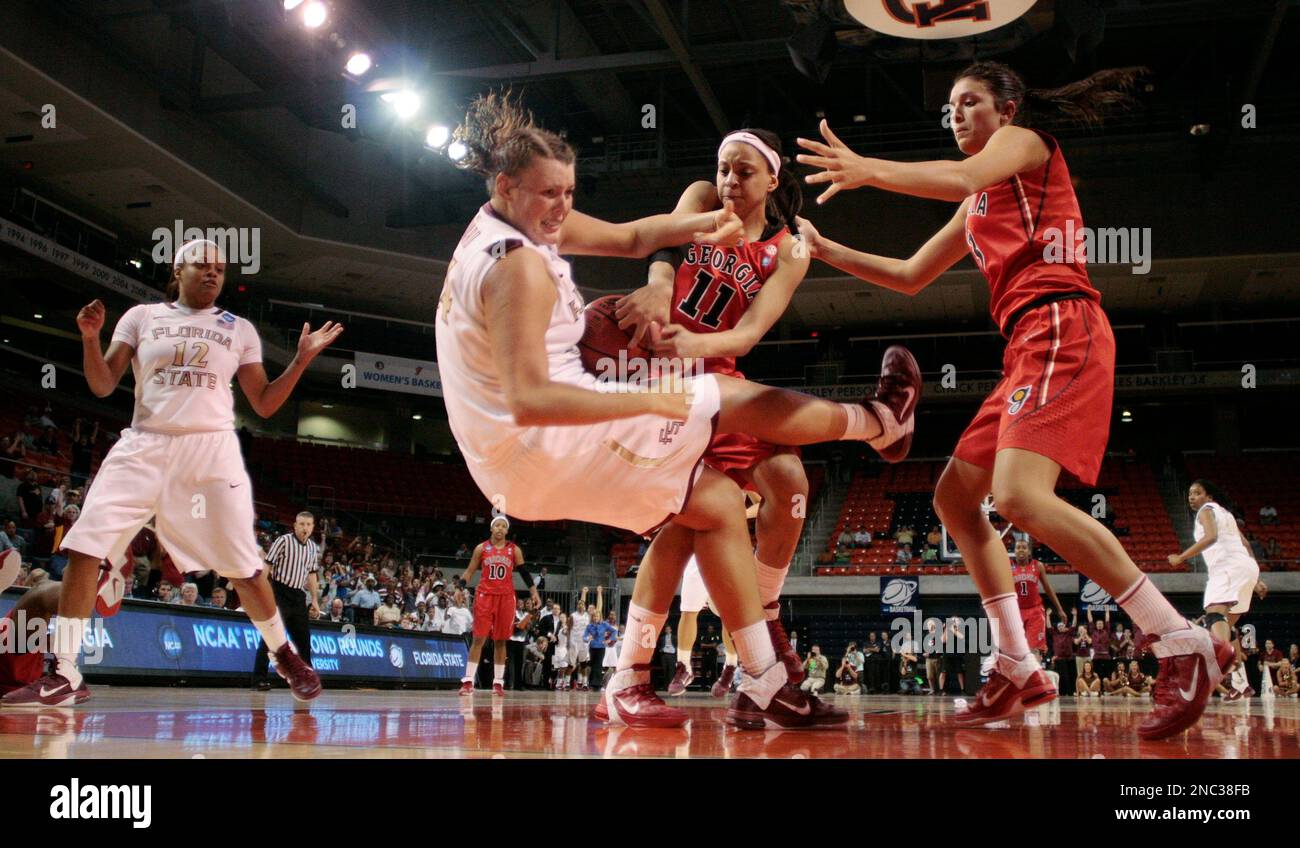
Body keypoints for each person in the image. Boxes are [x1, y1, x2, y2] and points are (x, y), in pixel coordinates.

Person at [435, 92, 918, 730]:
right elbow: (533, 397)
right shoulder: (518, 266)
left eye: (569, 192)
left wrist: (692, 247)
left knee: (717, 502)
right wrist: (659, 345)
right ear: (506, 185)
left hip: (553, 423)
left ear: (773, 180)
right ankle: (878, 422)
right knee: (726, 410)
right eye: (550, 194)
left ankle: (739, 672)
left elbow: (637, 236)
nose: (562, 209)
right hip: (560, 422)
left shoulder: (506, 225)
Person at [794, 61, 1229, 740]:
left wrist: (865, 168)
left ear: (1008, 108)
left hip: (1062, 323)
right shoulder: (979, 205)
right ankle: (1017, 663)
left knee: (1020, 497)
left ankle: (1178, 640)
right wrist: (826, 250)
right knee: (953, 500)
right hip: (1025, 347)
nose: (957, 114)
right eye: (951, 107)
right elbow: (910, 277)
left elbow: (958, 174)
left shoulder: (1027, 147)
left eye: (970, 102)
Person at [4, 241, 340, 707]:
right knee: (83, 547)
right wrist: (88, 338)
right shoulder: (140, 317)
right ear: (177, 269)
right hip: (144, 442)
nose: (212, 274)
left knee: (244, 567)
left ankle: (283, 653)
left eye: (220, 268)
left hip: (210, 450)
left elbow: (263, 403)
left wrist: (301, 359)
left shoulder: (238, 329)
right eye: (202, 265)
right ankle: (64, 672)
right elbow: (102, 386)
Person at [667, 491, 760, 696]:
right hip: (699, 547)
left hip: (731, 549)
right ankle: (684, 667)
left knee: (729, 616)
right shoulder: (699, 472)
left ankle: (730, 666)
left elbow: (764, 505)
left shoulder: (741, 472)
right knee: (688, 610)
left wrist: (740, 514)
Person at [1168, 480, 1261, 679]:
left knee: (1213, 615)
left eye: (1197, 493)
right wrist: (1256, 578)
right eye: (1190, 494)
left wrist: (1181, 557)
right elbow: (1246, 544)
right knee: (1225, 623)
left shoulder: (1206, 509)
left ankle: (1224, 663)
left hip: (1227, 568)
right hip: (1245, 568)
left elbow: (1211, 537)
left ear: (1209, 497)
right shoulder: (1227, 515)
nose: (1192, 497)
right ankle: (1239, 681)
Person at [458, 517, 539, 696]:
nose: (500, 528)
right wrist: (460, 587)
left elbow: (524, 572)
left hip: (506, 598)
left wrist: (534, 592)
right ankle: (468, 681)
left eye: (503, 526)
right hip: (485, 596)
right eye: (497, 525)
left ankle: (498, 683)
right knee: (479, 638)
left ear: (507, 531)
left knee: (501, 640)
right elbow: (470, 571)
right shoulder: (481, 548)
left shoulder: (514, 550)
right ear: (491, 529)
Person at [251, 511, 321, 691]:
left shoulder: (313, 548)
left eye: (308, 524)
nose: (305, 527)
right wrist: (261, 591)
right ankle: (259, 678)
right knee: (271, 637)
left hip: (298, 596)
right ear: (295, 525)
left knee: (303, 640)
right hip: (280, 592)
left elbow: (312, 575)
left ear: (313, 527)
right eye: (302, 524)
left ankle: (307, 680)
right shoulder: (283, 541)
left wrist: (314, 600)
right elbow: (267, 565)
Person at [1009, 536, 1068, 662]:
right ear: (1014, 551)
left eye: (1024, 548)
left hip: (1035, 611)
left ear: (1029, 551)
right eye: (1018, 548)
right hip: (1016, 611)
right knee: (1015, 650)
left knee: (1034, 649)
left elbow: (1048, 588)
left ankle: (1035, 676)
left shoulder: (1038, 566)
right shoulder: (1008, 566)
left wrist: (1060, 609)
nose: (1021, 550)